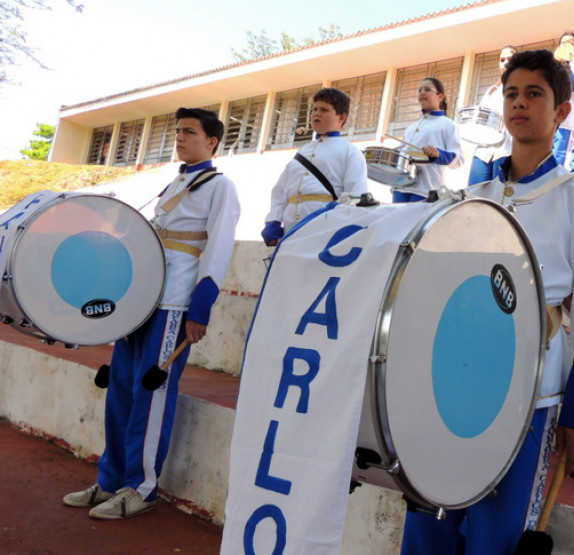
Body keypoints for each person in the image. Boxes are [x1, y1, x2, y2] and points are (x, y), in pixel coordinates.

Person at [401, 49, 574, 555]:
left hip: (531, 388)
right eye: (512, 93)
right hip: (457, 378)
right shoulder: (477, 192)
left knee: (498, 529)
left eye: (535, 93)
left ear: (561, 112)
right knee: (429, 518)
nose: (519, 103)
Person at [63, 108, 241, 519]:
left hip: (176, 303)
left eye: (189, 132)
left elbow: (218, 248)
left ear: (212, 141)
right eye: (178, 131)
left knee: (151, 392)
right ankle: (110, 481)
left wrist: (201, 306)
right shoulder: (175, 181)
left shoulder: (221, 186)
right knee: (121, 388)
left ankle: (140, 487)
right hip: (142, 298)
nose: (180, 137)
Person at [261, 87, 368, 245]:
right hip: (291, 232)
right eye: (314, 109)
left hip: (325, 232)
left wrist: (334, 222)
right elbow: (280, 190)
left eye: (324, 110)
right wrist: (273, 220)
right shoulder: (302, 152)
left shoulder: (351, 152)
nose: (316, 114)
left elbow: (355, 196)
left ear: (341, 118)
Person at [394, 77, 464, 203]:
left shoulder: (448, 125)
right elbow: (400, 155)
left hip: (426, 190)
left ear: (440, 96)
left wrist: (438, 154)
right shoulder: (410, 128)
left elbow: (459, 160)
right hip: (400, 188)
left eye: (427, 89)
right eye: (420, 90)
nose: (422, 92)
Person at [467, 45, 518, 185]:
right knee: (475, 194)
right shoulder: (491, 91)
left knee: (500, 196)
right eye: (502, 59)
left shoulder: (520, 87)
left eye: (510, 59)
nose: (505, 62)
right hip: (483, 150)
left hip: (506, 149)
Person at [552, 31, 574, 172]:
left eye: (571, 43)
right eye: (563, 43)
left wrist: (567, 68)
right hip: (552, 118)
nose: (567, 46)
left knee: (564, 159)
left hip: (569, 119)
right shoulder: (553, 66)